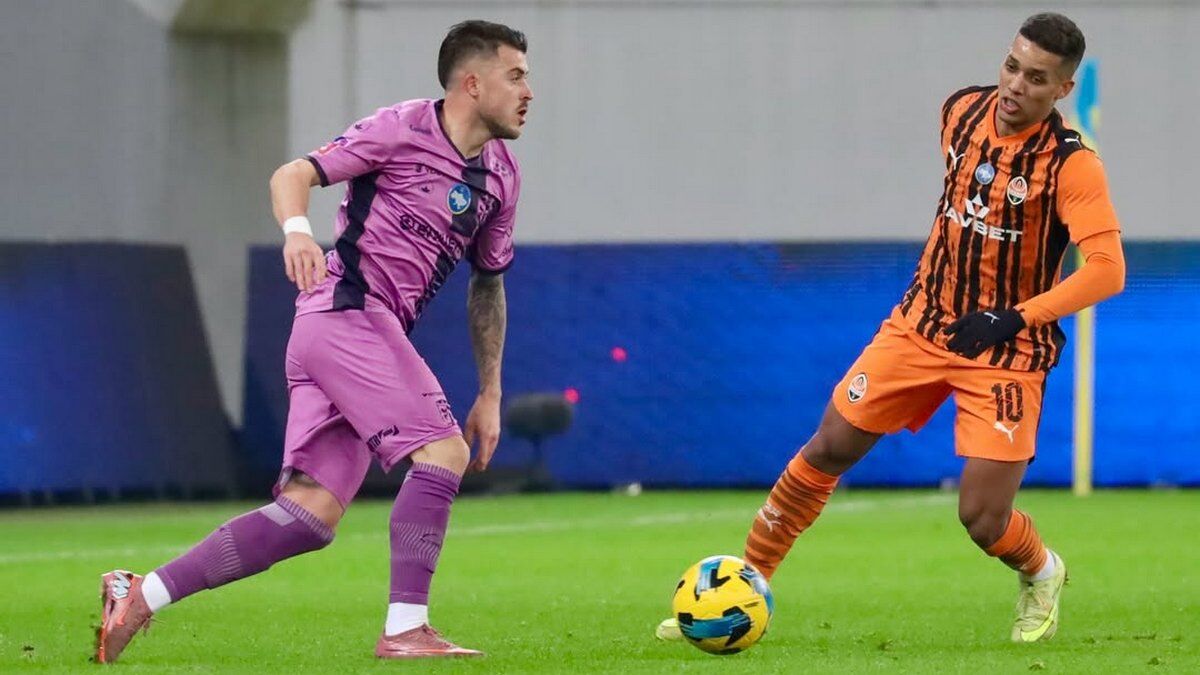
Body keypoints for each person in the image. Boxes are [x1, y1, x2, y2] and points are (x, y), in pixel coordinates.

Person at [659, 12, 1123, 644]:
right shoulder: (960, 111)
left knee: (983, 518)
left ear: (1063, 89)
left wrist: (1014, 315)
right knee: (829, 446)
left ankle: (1042, 571)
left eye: (1037, 78)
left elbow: (1107, 271)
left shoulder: (1073, 166)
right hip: (921, 325)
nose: (1016, 84)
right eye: (1012, 66)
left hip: (1007, 349)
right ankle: (740, 594)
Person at [96, 20, 532, 662]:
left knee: (308, 516)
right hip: (347, 312)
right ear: (472, 83)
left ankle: (140, 592)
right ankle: (405, 629)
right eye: (515, 76)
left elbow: (488, 284)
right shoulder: (400, 128)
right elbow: (292, 173)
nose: (528, 91)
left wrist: (490, 390)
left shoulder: (501, 177)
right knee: (442, 451)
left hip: (352, 334)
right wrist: (298, 232)